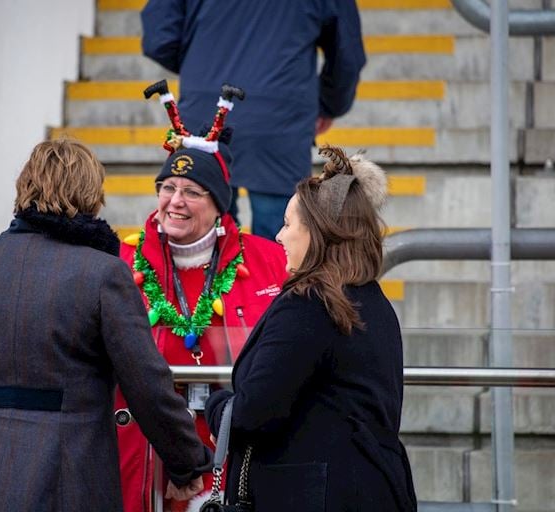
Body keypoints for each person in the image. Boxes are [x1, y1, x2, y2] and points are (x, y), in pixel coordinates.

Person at [0, 138, 212, 512]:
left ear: (25, 187)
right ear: (90, 194)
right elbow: (145, 382)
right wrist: (187, 462)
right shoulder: (103, 273)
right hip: (70, 466)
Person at [204, 146, 417, 511]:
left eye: (288, 224)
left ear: (317, 232)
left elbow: (253, 413)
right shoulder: (374, 302)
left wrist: (216, 405)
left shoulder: (309, 304)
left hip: (311, 496)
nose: (280, 237)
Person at [115, 82, 288, 512]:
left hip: (237, 452)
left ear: (218, 206)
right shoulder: (121, 261)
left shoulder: (271, 262)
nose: (175, 202)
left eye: (192, 192)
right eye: (167, 187)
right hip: (146, 454)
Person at [141, 0, 366, 241]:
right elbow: (347, 53)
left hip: (205, 112)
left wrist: (202, 66)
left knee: (205, 239)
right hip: (279, 117)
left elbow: (159, 38)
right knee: (280, 245)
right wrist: (329, 106)